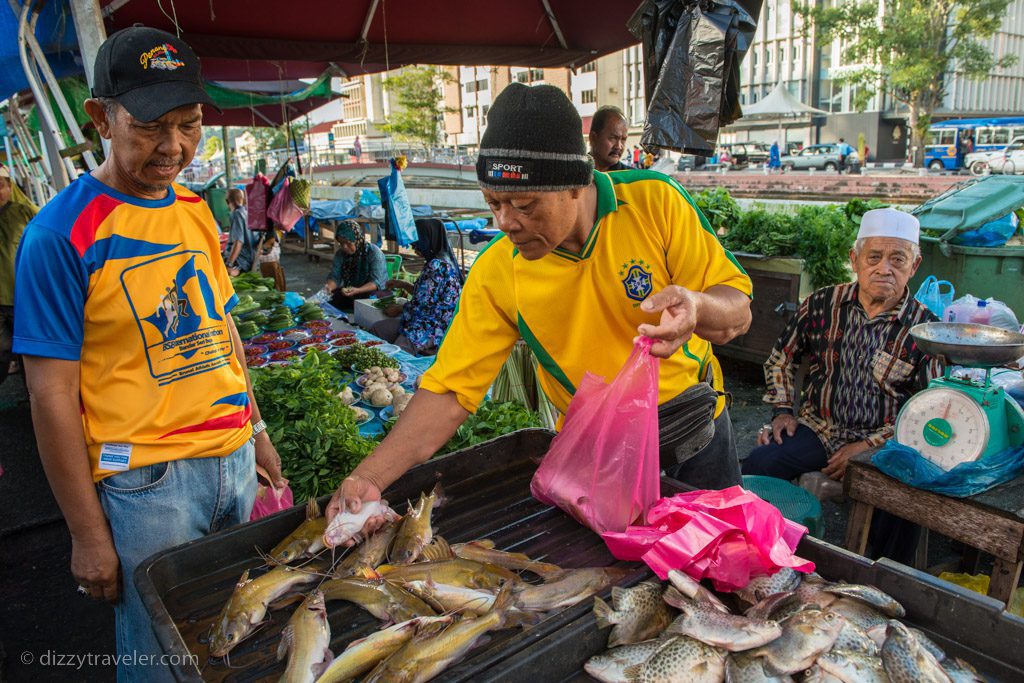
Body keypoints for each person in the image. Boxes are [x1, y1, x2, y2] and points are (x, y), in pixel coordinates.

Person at [327, 83, 753, 530]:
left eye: (524, 204)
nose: (507, 222)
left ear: (575, 184)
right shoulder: (498, 272)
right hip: (601, 456)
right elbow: (451, 392)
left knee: (721, 565)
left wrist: (698, 306)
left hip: (695, 438)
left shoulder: (653, 203)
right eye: (494, 204)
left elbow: (736, 313)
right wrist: (370, 476)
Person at [12, 26, 285, 682]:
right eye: (151, 126)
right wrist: (86, 533)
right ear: (101, 118)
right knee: (161, 661)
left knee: (233, 638)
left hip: (234, 463)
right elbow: (49, 395)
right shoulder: (59, 234)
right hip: (147, 486)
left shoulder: (194, 210)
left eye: (189, 124)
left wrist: (258, 430)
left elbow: (224, 333)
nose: (174, 146)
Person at [743, 208, 941, 484]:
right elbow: (781, 358)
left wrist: (868, 447)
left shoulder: (925, 330)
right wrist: (783, 411)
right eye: (874, 257)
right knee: (759, 464)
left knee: (900, 498)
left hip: (884, 445)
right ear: (855, 259)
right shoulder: (822, 304)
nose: (884, 269)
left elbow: (927, 408)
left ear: (914, 266)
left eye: (898, 260)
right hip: (819, 430)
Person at [369, 219, 463, 354]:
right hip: (421, 319)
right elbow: (427, 295)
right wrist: (403, 285)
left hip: (432, 327)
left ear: (428, 239)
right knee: (378, 329)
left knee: (398, 353)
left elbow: (423, 305)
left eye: (418, 241)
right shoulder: (440, 260)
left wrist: (399, 308)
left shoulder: (437, 265)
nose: (414, 247)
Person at [0, 167, 37, 384]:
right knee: (3, 349)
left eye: (2, 187)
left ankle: (32, 398)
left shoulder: (25, 212)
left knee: (29, 354)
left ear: (9, 187)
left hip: (22, 297)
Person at [324, 218, 388, 311]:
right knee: (330, 298)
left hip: (374, 292)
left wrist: (358, 290)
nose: (344, 247)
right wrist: (328, 289)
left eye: (348, 243)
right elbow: (335, 276)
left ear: (357, 239)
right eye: (341, 243)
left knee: (371, 300)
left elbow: (376, 282)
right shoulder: (341, 254)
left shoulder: (373, 252)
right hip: (352, 292)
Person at [588, 106, 631, 171]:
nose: (619, 146)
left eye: (623, 139)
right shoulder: (572, 173)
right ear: (593, 138)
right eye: (613, 138)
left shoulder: (631, 178)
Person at [225, 187, 255, 275]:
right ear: (243, 199)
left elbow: (238, 242)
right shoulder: (246, 213)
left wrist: (229, 264)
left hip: (240, 262)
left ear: (227, 201)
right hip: (248, 258)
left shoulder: (237, 214)